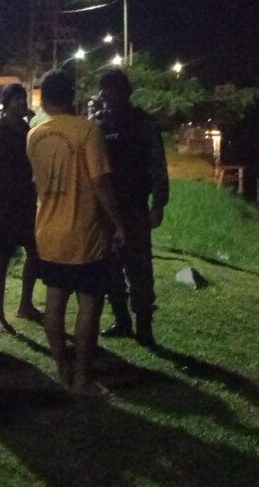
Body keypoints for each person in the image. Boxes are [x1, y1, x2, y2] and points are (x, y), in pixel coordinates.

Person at [27, 70, 126, 395]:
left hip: (48, 231)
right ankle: (82, 379)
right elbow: (101, 183)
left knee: (54, 303)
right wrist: (119, 223)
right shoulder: (87, 130)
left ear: (44, 99)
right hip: (86, 233)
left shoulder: (34, 135)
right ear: (71, 96)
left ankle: (62, 371)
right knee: (89, 307)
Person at [93, 67, 169, 346]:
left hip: (135, 207)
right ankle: (122, 321)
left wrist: (158, 205)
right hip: (106, 210)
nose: (107, 95)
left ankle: (144, 327)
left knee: (140, 269)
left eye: (112, 89)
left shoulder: (142, 122)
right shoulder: (97, 123)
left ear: (125, 92)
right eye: (105, 89)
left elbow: (158, 166)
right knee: (109, 269)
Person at [0, 83, 41, 333]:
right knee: (1, 259)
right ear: (7, 103)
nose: (22, 103)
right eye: (17, 99)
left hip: (24, 202)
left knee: (34, 252)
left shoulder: (25, 130)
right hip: (1, 205)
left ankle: (26, 304)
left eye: (23, 99)